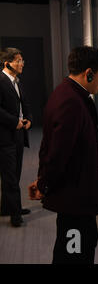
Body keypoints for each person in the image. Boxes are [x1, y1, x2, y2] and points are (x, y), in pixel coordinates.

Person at [34, 46, 98, 264]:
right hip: (75, 200)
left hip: (76, 200)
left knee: (76, 251)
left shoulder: (66, 93)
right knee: (73, 256)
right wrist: (44, 184)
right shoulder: (71, 101)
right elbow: (57, 153)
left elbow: (49, 146)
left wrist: (42, 180)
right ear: (88, 73)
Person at [0, 47, 32, 227]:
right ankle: (15, 214)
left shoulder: (17, 81)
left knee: (14, 174)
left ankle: (7, 207)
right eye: (18, 61)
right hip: (5, 137)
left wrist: (29, 120)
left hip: (18, 135)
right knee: (10, 177)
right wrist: (15, 122)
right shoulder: (1, 80)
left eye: (22, 60)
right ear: (7, 63)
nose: (22, 64)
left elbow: (24, 104)